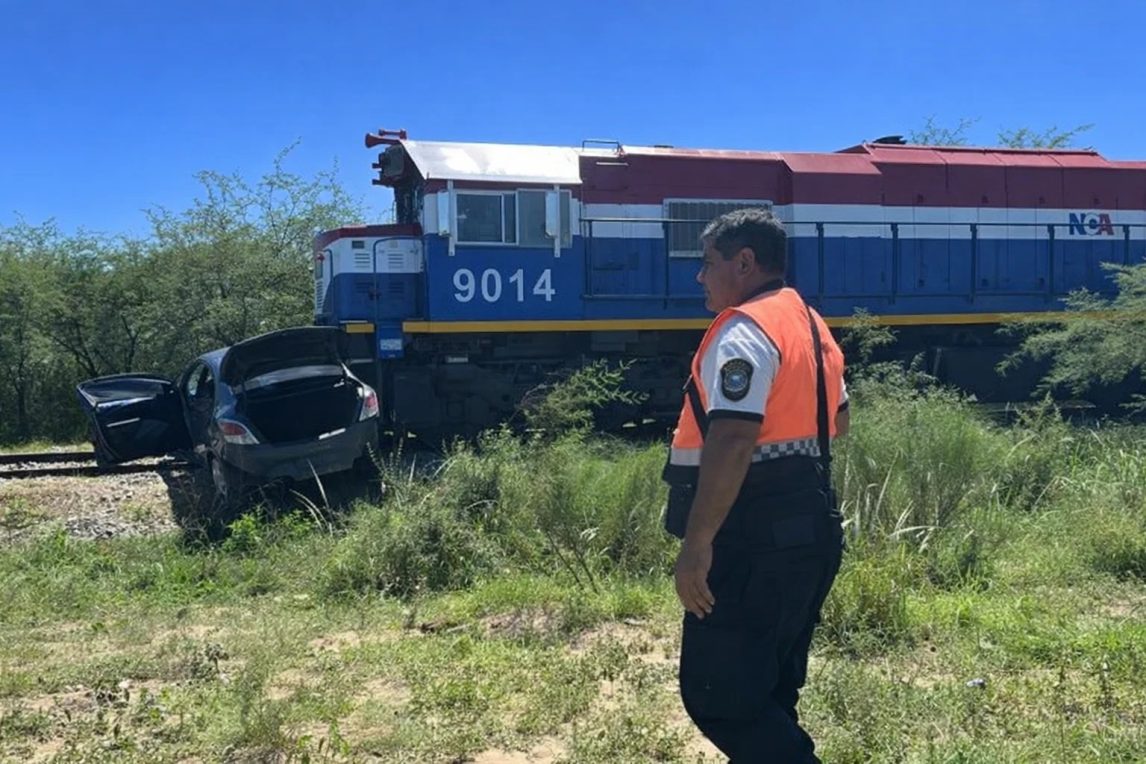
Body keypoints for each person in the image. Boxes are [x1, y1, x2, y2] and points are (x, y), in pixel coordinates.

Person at [662, 207, 849, 762]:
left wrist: (697, 548)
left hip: (753, 537)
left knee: (720, 696)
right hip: (812, 524)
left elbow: (734, 440)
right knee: (771, 689)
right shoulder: (812, 326)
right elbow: (838, 421)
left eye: (709, 263)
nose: (700, 276)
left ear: (744, 262)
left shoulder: (745, 329)